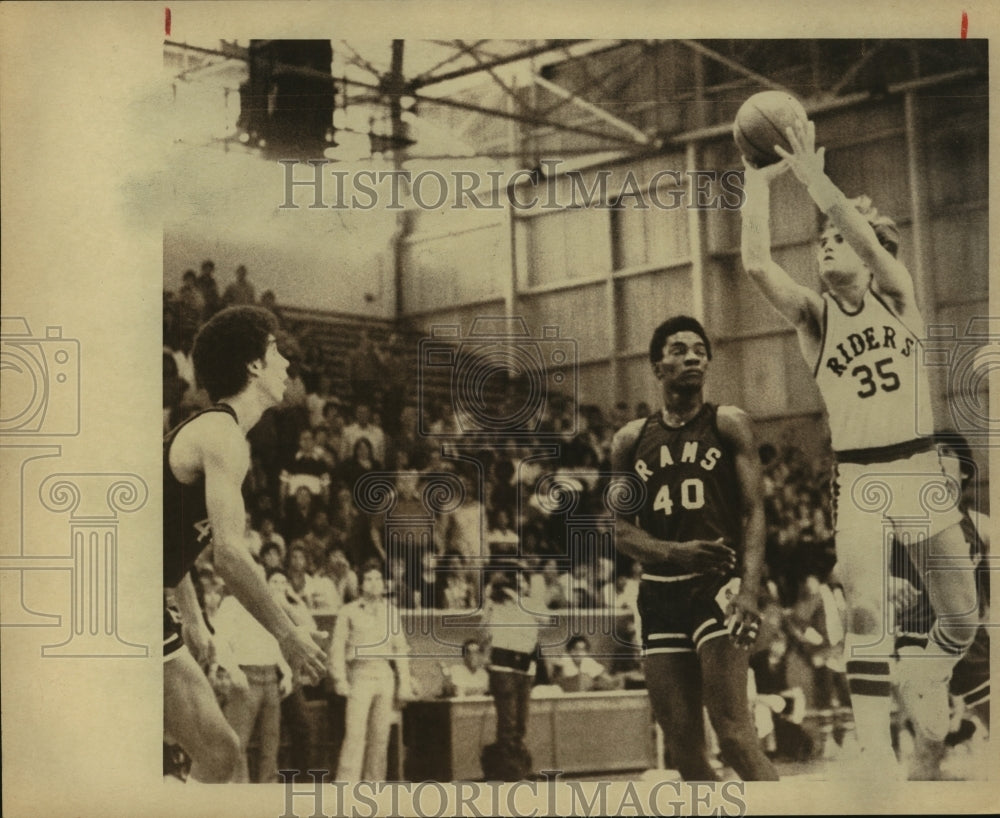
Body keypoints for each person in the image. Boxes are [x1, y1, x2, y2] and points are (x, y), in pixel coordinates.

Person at [740, 118, 979, 771]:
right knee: (866, 609)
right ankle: (875, 749)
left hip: (920, 468)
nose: (825, 244)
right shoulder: (815, 319)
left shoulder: (898, 298)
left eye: (836, 238)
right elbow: (757, 264)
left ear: (871, 251)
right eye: (819, 240)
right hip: (861, 478)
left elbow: (868, 241)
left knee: (963, 620)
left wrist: (816, 182)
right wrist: (757, 183)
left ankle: (925, 671)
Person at [609, 314, 778, 781]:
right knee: (683, 749)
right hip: (659, 594)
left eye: (700, 351)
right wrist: (673, 552)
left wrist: (749, 590)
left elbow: (754, 513)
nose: (693, 358)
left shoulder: (728, 423)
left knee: (735, 737)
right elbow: (619, 529)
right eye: (680, 350)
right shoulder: (630, 440)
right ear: (656, 365)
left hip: (717, 587)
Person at [163, 305, 327, 783]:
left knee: (218, 752)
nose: (287, 363)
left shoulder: (218, 432)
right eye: (276, 351)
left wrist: (194, 617)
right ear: (254, 365)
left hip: (139, 596)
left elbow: (163, 538)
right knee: (215, 751)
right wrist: (288, 634)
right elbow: (230, 556)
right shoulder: (222, 435)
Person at [329, 560, 415, 782]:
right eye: (368, 579)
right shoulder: (348, 611)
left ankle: (374, 786)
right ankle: (346, 787)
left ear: (384, 583)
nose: (374, 583)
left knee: (380, 737)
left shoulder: (391, 612)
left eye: (378, 579)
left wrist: (404, 683)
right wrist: (339, 679)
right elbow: (337, 647)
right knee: (355, 735)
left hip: (384, 674)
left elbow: (400, 648)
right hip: (360, 674)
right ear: (361, 583)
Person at [479, 560, 545, 781]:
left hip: (525, 665)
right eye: (514, 581)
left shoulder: (532, 603)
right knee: (507, 719)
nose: (520, 584)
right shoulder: (494, 604)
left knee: (521, 720)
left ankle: (518, 766)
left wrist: (516, 599)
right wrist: (493, 599)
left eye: (522, 580)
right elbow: (483, 631)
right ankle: (508, 769)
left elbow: (545, 620)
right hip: (502, 663)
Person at [552, 635, 622, 693]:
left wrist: (613, 681)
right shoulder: (562, 663)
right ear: (569, 650)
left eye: (582, 650)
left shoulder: (587, 661)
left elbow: (602, 675)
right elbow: (559, 681)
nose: (579, 653)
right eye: (576, 649)